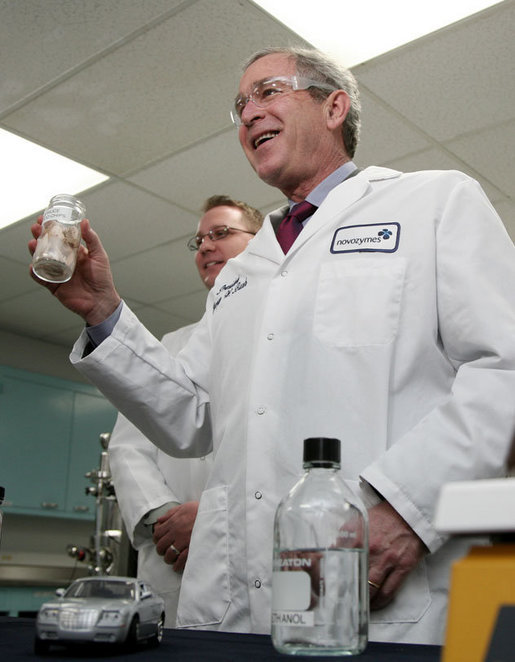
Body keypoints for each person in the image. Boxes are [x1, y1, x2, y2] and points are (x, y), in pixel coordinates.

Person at [29, 46, 515, 645]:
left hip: (376, 581)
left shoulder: (432, 203)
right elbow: (189, 417)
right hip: (235, 596)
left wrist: (408, 508)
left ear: (334, 106)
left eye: (268, 92)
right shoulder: (240, 274)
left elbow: (504, 366)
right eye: (240, 105)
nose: (248, 112)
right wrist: (102, 312)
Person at [108, 195, 264, 627]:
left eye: (221, 233)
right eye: (198, 241)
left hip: (256, 552)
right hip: (172, 557)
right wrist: (164, 520)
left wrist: (216, 520)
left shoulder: (281, 339)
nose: (205, 247)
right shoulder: (168, 347)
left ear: (261, 241)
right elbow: (128, 449)